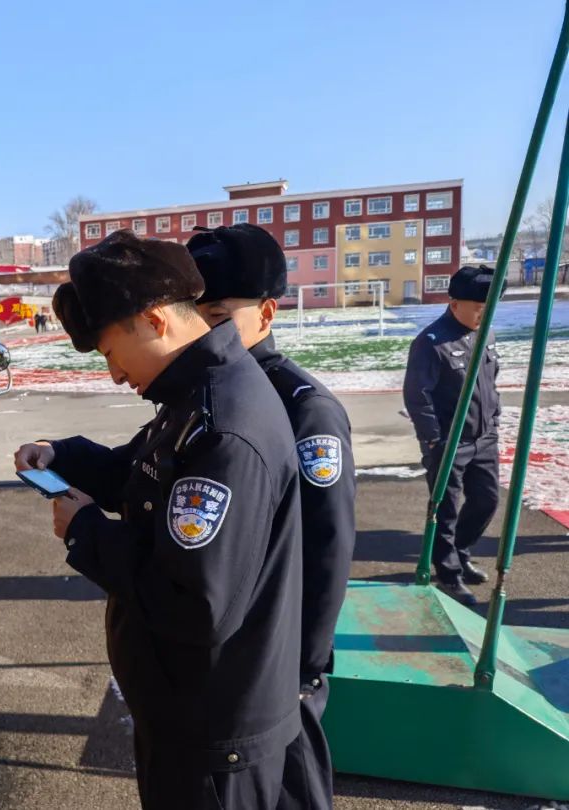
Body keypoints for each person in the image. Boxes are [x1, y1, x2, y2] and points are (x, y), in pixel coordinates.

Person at [13, 230, 302, 810]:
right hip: (185, 715)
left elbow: (197, 605)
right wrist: (63, 455)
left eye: (111, 352)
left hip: (212, 736)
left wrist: (87, 531)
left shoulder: (222, 424)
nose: (115, 374)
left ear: (153, 320)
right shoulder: (195, 393)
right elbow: (138, 473)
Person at [187, 223, 356, 810]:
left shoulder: (303, 410)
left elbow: (328, 548)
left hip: (281, 672)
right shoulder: (202, 394)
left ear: (266, 312)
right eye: (193, 315)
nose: (202, 331)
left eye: (216, 315)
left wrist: (302, 666)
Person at [403, 264, 502, 606]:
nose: (483, 316)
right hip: (449, 442)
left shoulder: (485, 334)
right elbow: (417, 395)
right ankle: (447, 574)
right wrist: (433, 440)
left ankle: (460, 552)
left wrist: (495, 419)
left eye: (489, 310)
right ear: (455, 303)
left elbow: (492, 381)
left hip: (484, 438)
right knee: (446, 509)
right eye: (478, 309)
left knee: (487, 501)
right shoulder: (431, 342)